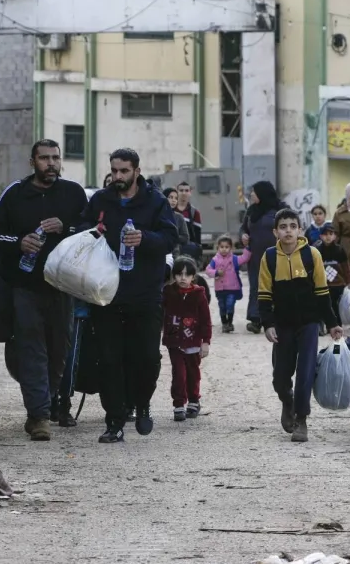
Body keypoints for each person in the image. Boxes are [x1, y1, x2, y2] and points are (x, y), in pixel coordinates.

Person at [0, 140, 89, 441]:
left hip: (63, 287)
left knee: (59, 352)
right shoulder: (16, 193)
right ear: (33, 162)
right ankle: (39, 415)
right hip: (26, 287)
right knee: (32, 351)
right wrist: (18, 243)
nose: (51, 163)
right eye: (44, 158)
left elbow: (92, 230)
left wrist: (66, 227)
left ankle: (46, 404)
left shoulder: (73, 193)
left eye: (56, 158)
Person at [81, 148, 179, 443]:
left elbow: (171, 238)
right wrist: (92, 232)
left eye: (124, 171)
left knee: (147, 357)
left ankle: (142, 402)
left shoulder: (156, 201)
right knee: (109, 359)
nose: (118, 176)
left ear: (137, 171)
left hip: (145, 294)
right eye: (114, 170)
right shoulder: (101, 200)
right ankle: (114, 421)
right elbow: (83, 232)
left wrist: (144, 238)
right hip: (107, 292)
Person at [258, 208, 342, 443]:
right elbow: (264, 294)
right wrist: (268, 324)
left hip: (308, 323)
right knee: (280, 376)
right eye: (283, 227)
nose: (288, 231)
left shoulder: (311, 254)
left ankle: (301, 419)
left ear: (300, 230)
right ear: (275, 232)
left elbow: (322, 292)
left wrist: (332, 322)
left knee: (305, 372)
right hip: (283, 324)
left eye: (292, 227)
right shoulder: (269, 257)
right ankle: (287, 400)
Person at [162, 256, 212, 422]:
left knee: (192, 372)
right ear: (174, 276)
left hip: (193, 341)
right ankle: (178, 404)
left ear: (193, 277)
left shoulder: (199, 295)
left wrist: (206, 341)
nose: (182, 278)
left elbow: (206, 320)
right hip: (174, 340)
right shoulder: (168, 293)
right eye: (179, 274)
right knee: (179, 373)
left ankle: (193, 400)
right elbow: (160, 313)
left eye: (187, 274)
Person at [241, 181, 286, 333]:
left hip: (278, 256)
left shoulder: (280, 209)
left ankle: (276, 318)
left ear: (262, 193)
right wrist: (244, 235)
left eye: (254, 191)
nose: (252, 194)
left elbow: (292, 227)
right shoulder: (252, 210)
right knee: (256, 287)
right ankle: (255, 319)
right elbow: (243, 228)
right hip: (256, 257)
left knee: (277, 287)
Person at [204, 235, 250, 333]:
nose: (224, 249)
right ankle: (224, 323)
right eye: (222, 247)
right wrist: (216, 272)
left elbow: (245, 258)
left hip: (232, 289)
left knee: (230, 304)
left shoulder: (234, 259)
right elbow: (208, 270)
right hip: (220, 289)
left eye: (226, 247)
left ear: (231, 248)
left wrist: (247, 246)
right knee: (222, 306)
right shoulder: (215, 260)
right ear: (218, 248)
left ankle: (229, 322)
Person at [315, 222, 350, 327]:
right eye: (325, 234)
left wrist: (349, 281)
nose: (328, 237)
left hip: (338, 283)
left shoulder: (339, 250)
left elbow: (346, 267)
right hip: (323, 284)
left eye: (331, 234)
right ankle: (322, 326)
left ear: (335, 236)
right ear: (321, 236)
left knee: (335, 305)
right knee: (324, 304)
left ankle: (337, 325)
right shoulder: (317, 250)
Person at [175, 181, 204, 258]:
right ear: (176, 192)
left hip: (188, 251)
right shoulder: (170, 210)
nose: (184, 193)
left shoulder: (194, 212)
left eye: (186, 190)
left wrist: (198, 250)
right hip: (172, 250)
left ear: (190, 193)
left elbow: (197, 235)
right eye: (181, 190)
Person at [164, 187, 193, 256]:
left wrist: (173, 237)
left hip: (174, 254)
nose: (173, 200)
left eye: (176, 198)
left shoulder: (179, 217)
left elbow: (185, 238)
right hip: (158, 254)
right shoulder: (157, 215)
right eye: (170, 197)